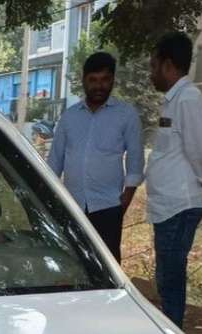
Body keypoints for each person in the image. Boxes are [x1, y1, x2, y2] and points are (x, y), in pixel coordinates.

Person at [146, 32, 202, 327]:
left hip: (179, 205)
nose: (151, 73)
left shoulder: (188, 99)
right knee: (166, 276)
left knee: (170, 278)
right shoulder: (174, 100)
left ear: (168, 65)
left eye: (153, 66)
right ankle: (172, 332)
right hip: (168, 205)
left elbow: (200, 150)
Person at [48, 51, 144, 261]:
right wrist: (52, 200)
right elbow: (54, 161)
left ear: (113, 80)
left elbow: (136, 160)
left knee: (106, 265)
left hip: (108, 206)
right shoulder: (69, 117)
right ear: (84, 80)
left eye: (105, 79)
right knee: (73, 262)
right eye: (93, 80)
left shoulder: (126, 115)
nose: (99, 86)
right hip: (72, 206)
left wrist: (125, 200)